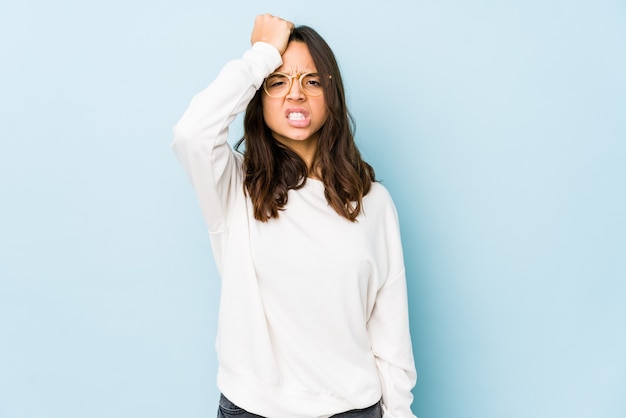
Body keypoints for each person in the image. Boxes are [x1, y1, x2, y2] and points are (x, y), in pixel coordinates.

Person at [172, 14, 417, 418]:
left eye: (312, 81)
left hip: (354, 410)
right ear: (259, 95)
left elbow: (390, 338)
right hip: (253, 410)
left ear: (330, 95)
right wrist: (261, 55)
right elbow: (191, 134)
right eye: (278, 81)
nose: (296, 95)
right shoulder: (235, 187)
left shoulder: (373, 201)